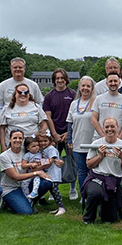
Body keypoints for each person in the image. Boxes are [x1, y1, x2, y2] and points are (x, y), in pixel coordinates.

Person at [82, 117, 122, 224]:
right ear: (103, 128)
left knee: (110, 220)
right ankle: (88, 218)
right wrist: (100, 156)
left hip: (113, 181)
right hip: (97, 177)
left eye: (112, 126)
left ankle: (104, 210)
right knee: (95, 193)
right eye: (107, 127)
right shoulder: (96, 143)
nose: (109, 129)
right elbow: (88, 164)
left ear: (118, 127)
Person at [0, 129, 52, 215]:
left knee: (46, 182)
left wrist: (52, 160)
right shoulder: (4, 156)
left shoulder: (28, 150)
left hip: (27, 183)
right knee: (26, 212)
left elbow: (39, 159)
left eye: (20, 138)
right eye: (15, 138)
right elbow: (15, 177)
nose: (17, 140)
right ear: (10, 139)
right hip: (11, 188)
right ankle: (7, 202)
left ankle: (31, 202)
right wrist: (36, 173)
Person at [43, 68, 77, 198]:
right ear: (54, 80)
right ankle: (53, 188)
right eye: (57, 78)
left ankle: (73, 188)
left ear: (66, 79)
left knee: (71, 161)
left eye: (62, 78)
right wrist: (55, 134)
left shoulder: (73, 94)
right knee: (53, 162)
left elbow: (75, 115)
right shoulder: (49, 96)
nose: (60, 80)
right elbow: (48, 117)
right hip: (54, 135)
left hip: (69, 134)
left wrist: (68, 134)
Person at [67, 76, 97, 190]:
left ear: (92, 88)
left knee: (92, 170)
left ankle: (93, 193)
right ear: (79, 87)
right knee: (81, 171)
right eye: (83, 86)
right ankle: (84, 194)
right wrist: (69, 140)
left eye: (88, 86)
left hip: (92, 142)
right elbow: (69, 123)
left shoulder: (96, 102)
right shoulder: (74, 104)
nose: (85, 88)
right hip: (78, 143)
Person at [0, 83, 48, 152]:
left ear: (29, 94)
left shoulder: (36, 107)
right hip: (13, 145)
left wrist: (40, 133)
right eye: (20, 92)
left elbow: (44, 124)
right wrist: (3, 146)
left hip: (32, 146)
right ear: (15, 94)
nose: (23, 94)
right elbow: (1, 128)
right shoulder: (7, 108)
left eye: (26, 92)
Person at [91, 72, 122, 139]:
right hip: (99, 138)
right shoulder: (99, 98)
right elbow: (94, 119)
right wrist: (103, 136)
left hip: (117, 139)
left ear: (119, 83)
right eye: (110, 81)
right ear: (106, 83)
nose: (113, 83)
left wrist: (119, 137)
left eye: (115, 81)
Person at [38, 132, 67, 215]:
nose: (43, 143)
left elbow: (50, 161)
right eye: (40, 141)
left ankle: (61, 207)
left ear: (50, 141)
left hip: (54, 174)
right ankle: (59, 207)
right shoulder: (43, 150)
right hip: (49, 174)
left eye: (45, 141)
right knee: (52, 191)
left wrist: (37, 162)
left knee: (55, 191)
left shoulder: (51, 149)